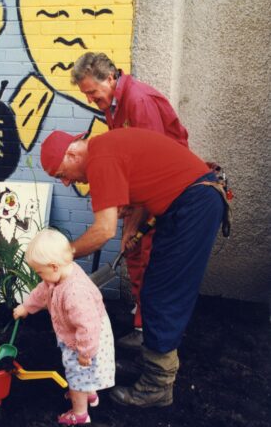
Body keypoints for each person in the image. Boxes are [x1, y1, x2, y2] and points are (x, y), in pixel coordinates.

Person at [40, 127, 229, 408]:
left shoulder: (99, 161)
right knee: (154, 289)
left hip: (194, 205)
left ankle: (157, 386)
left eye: (61, 174)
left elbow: (103, 230)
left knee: (163, 295)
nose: (66, 183)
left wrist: (64, 255)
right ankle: (151, 362)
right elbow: (146, 185)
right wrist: (131, 227)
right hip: (188, 202)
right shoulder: (107, 149)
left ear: (72, 152)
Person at [71, 52, 189, 349]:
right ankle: (143, 317)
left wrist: (134, 215)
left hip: (168, 188)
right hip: (148, 185)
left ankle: (145, 329)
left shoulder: (138, 101)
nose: (89, 99)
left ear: (109, 78)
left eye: (91, 92)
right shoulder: (113, 103)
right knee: (135, 251)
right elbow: (128, 157)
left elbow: (153, 161)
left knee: (143, 251)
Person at [13, 228, 115, 425]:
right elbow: (43, 292)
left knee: (76, 374)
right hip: (79, 335)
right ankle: (90, 394)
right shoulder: (59, 275)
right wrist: (27, 307)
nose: (40, 277)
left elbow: (88, 325)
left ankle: (80, 414)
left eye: (40, 272)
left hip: (87, 340)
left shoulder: (74, 293)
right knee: (85, 372)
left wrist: (85, 352)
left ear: (53, 266)